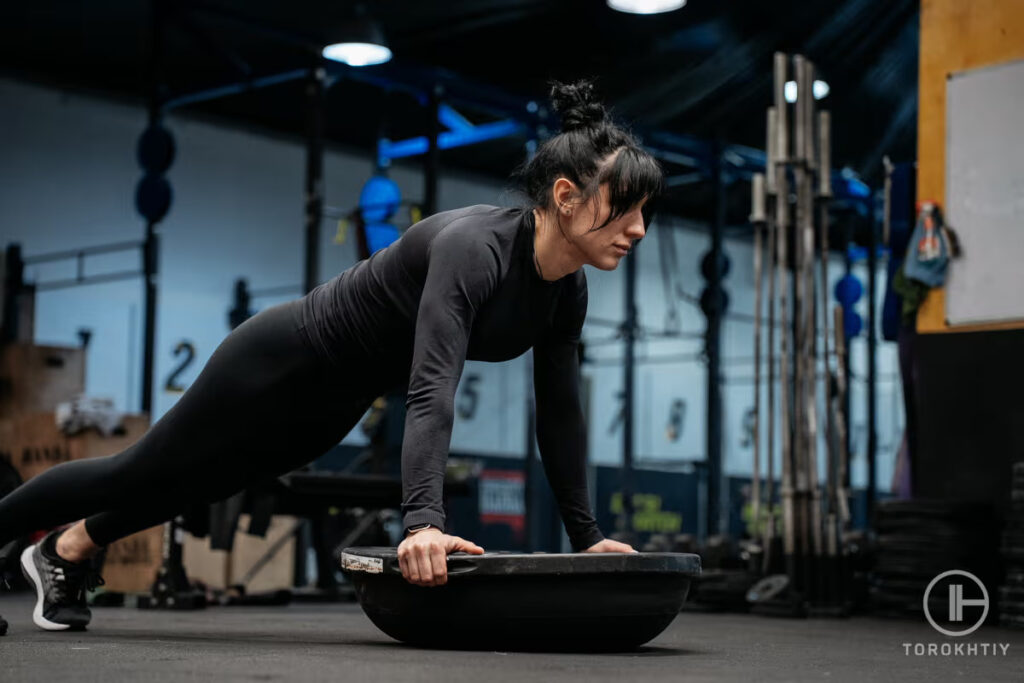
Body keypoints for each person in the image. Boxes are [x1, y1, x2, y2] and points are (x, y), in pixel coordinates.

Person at [0, 79, 663, 632]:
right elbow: (433, 386)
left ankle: (69, 548)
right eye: (626, 207)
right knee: (137, 470)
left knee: (200, 482)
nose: (638, 228)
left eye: (646, 212)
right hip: (280, 358)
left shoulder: (565, 291)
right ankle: (43, 539)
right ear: (566, 196)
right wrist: (423, 522)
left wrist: (587, 535)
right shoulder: (474, 249)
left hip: (337, 400)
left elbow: (560, 412)